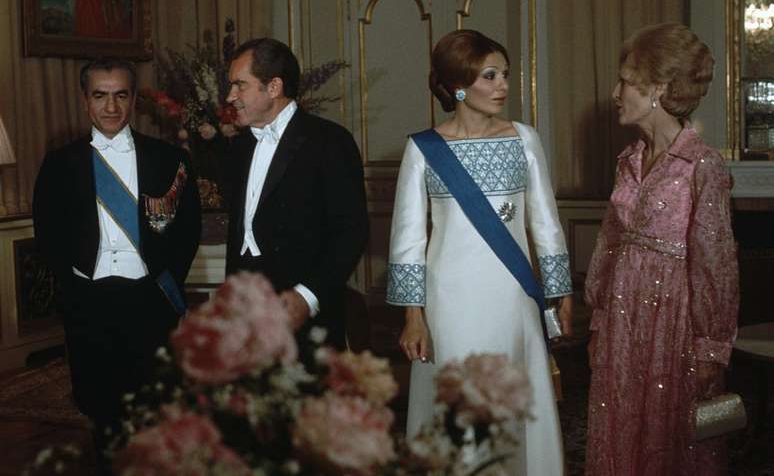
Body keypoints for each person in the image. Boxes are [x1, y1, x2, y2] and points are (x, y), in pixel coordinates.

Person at [386, 29, 573, 474]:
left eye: (504, 74)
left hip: (512, 298)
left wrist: (561, 293)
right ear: (458, 86)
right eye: (489, 76)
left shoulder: (524, 139)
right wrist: (413, 315)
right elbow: (408, 237)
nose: (502, 86)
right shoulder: (423, 149)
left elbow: (545, 222)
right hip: (449, 303)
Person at [584, 23, 739, 475]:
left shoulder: (702, 164)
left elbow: (717, 264)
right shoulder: (628, 159)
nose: (615, 92)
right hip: (620, 319)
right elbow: (608, 244)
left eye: (626, 82)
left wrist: (711, 346)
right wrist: (598, 319)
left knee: (673, 441)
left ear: (658, 89)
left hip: (674, 322)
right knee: (620, 427)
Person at [32, 59, 201, 466]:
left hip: (148, 299)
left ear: (133, 100)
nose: (111, 107)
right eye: (100, 95)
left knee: (152, 407)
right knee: (100, 407)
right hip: (89, 300)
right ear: (84, 101)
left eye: (120, 95)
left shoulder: (167, 158)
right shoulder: (60, 163)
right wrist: (74, 284)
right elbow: (48, 232)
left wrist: (165, 285)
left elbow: (187, 231)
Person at [224, 38, 368, 350]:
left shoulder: (329, 141)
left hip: (305, 316)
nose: (230, 96)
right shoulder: (238, 147)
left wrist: (307, 296)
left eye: (239, 86)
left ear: (273, 87)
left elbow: (351, 232)